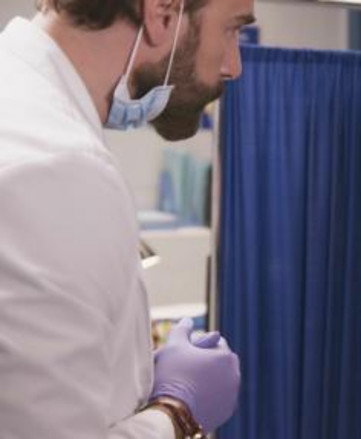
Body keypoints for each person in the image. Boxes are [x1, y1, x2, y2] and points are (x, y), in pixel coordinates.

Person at [0, 0, 254, 437]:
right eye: (232, 30)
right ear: (161, 12)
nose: (234, 66)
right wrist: (178, 410)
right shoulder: (56, 169)